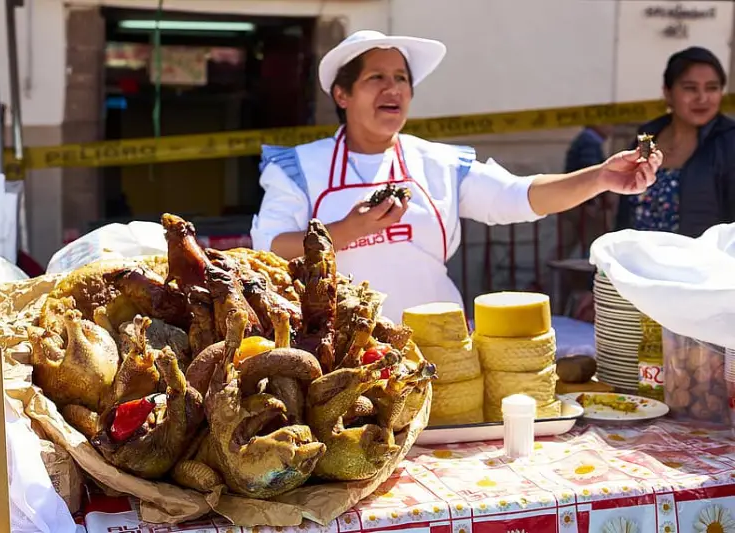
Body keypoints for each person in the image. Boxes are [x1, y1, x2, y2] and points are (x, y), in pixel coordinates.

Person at [250, 30, 662, 323]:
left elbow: (517, 197)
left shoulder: (439, 163)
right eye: (376, 77)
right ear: (342, 94)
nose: (393, 89)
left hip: (431, 348)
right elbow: (268, 247)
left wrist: (601, 177)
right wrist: (349, 229)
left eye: (402, 79)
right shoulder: (300, 167)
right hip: (336, 355)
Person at [615, 46, 735, 237]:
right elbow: (625, 205)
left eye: (712, 88)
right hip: (636, 263)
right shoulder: (647, 137)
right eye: (690, 88)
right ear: (668, 93)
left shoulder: (729, 141)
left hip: (702, 264)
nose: (702, 98)